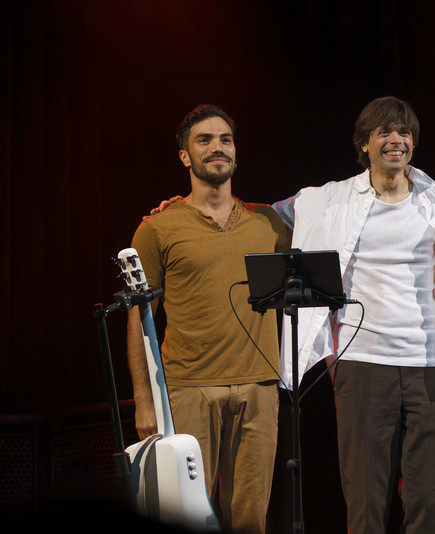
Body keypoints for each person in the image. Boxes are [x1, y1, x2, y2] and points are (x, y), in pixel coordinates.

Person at [270, 96, 435, 533]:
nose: (396, 140)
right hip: (362, 361)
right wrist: (209, 206)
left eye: (403, 132)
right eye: (384, 132)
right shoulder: (331, 199)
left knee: (426, 497)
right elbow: (269, 217)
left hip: (428, 365)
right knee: (366, 496)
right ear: (364, 144)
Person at [126, 104, 290, 534]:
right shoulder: (157, 228)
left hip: (259, 388)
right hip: (187, 390)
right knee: (186, 518)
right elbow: (138, 319)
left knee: (251, 521)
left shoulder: (269, 222)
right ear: (185, 156)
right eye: (205, 140)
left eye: (226, 139)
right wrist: (144, 401)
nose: (217, 147)